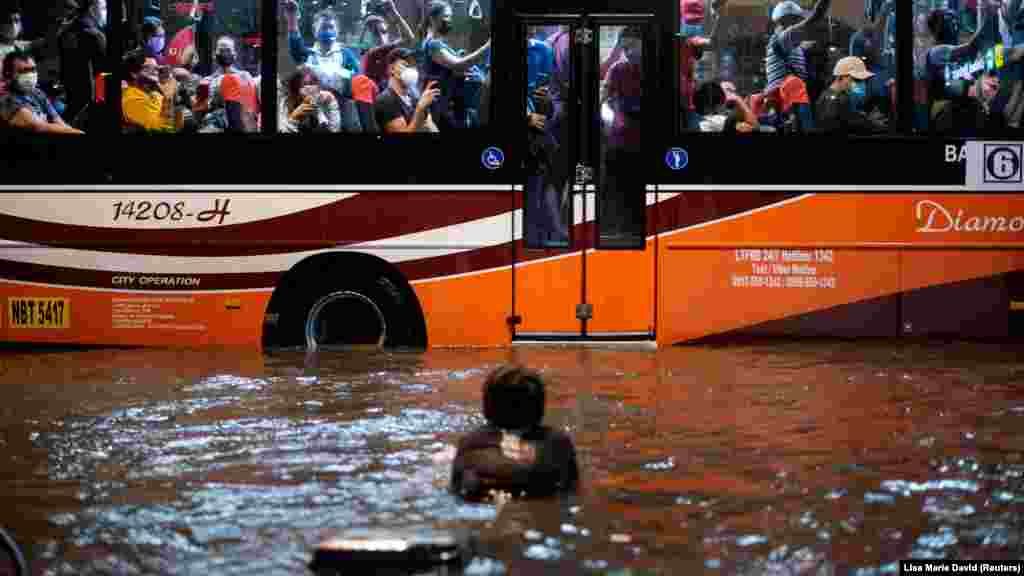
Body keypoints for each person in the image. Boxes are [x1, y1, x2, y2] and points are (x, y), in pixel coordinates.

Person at [450, 365, 578, 501]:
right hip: (538, 495)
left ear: (487, 408)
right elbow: (572, 489)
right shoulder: (558, 443)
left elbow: (455, 489)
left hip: (480, 498)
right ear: (540, 409)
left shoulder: (469, 442)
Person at [923, 0, 1000, 132]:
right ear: (937, 27)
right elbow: (972, 47)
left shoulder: (960, 55)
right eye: (949, 20)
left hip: (966, 109)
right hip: (945, 113)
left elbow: (986, 61)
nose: (955, 24)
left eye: (955, 20)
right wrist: (991, 15)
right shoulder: (936, 51)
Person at [418, 0, 491, 131]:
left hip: (449, 104)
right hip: (443, 107)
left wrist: (457, 55)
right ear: (433, 19)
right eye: (446, 16)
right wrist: (488, 46)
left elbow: (449, 67)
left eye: (450, 16)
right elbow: (457, 65)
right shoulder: (433, 45)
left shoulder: (435, 43)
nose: (449, 20)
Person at [283, 2, 360, 96]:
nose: (328, 31)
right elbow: (295, 44)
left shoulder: (346, 55)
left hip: (339, 103)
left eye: (331, 27)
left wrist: (316, 71)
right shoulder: (308, 54)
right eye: (323, 27)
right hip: (311, 102)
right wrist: (292, 18)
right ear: (315, 30)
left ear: (337, 31)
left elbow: (350, 75)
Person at [0, 48, 83, 133]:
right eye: (24, 71)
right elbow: (39, 127)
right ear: (8, 75)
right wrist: (78, 133)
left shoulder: (37, 93)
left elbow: (57, 120)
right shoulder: (7, 100)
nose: (30, 75)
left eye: (33, 70)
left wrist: (73, 131)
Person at [764, 0, 832, 95]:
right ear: (784, 20)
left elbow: (810, 43)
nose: (799, 23)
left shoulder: (789, 43)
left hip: (790, 96)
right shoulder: (782, 38)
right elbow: (813, 20)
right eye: (796, 19)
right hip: (785, 99)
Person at [192, 35, 257, 133]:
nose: (225, 53)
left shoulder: (245, 76)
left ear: (234, 54)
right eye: (222, 50)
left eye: (228, 50)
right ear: (215, 55)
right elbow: (199, 113)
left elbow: (252, 105)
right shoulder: (207, 81)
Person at [57, 0, 108, 125]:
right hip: (88, 99)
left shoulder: (65, 29)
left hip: (70, 93)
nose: (105, 12)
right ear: (91, 8)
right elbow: (101, 74)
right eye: (103, 7)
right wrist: (101, 101)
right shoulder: (95, 35)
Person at [815, 55, 889, 134]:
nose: (859, 84)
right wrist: (871, 124)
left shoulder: (839, 95)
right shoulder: (833, 100)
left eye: (862, 80)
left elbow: (848, 118)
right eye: (856, 80)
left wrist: (865, 119)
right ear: (841, 77)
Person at [374, 47, 439, 133]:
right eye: (406, 65)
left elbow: (430, 125)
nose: (411, 70)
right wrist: (419, 109)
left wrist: (424, 108)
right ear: (392, 69)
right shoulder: (386, 100)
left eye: (413, 66)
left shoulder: (414, 96)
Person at [279, 65, 341, 133]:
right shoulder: (285, 104)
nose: (309, 89)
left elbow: (334, 128)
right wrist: (294, 118)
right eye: (303, 85)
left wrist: (327, 109)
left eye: (312, 83)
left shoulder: (326, 99)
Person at [121, 50, 170, 132]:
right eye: (148, 67)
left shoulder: (153, 92)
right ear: (134, 73)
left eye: (156, 67)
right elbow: (162, 127)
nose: (156, 70)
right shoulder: (130, 99)